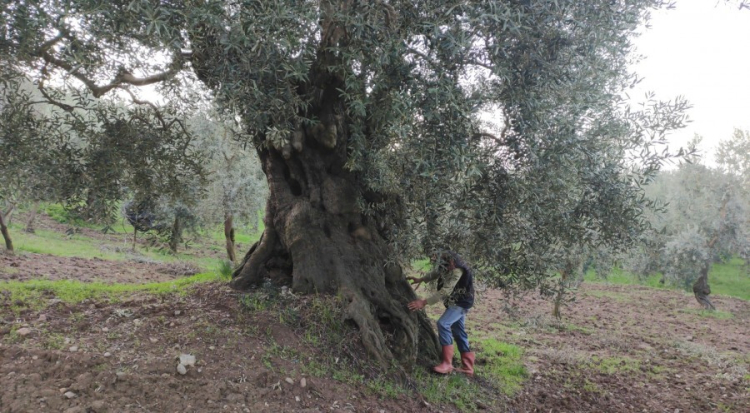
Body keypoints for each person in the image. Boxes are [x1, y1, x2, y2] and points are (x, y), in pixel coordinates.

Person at [407, 250, 475, 376]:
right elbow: (435, 273)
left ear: (452, 261)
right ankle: (468, 368)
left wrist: (424, 302)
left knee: (443, 323)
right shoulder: (446, 266)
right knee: (459, 332)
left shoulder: (457, 270)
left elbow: (445, 291)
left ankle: (447, 363)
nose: (443, 266)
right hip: (455, 302)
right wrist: (420, 279)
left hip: (461, 304)